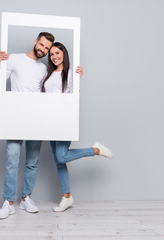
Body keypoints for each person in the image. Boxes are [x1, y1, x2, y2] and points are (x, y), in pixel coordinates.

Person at [41, 42, 113, 212]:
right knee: (59, 161)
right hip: (50, 121)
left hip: (64, 119)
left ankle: (95, 150)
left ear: (64, 54)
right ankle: (67, 196)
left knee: (62, 157)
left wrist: (78, 77)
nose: (54, 57)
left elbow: (75, 97)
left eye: (57, 53)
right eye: (51, 54)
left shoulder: (72, 74)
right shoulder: (48, 75)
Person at [0, 32, 55, 219]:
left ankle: (26, 198)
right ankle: (8, 202)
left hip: (35, 118)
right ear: (35, 41)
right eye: (42, 45)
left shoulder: (44, 69)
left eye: (47, 48)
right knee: (12, 159)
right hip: (14, 116)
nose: (43, 50)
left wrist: (77, 77)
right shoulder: (15, 59)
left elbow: (52, 91)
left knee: (32, 161)